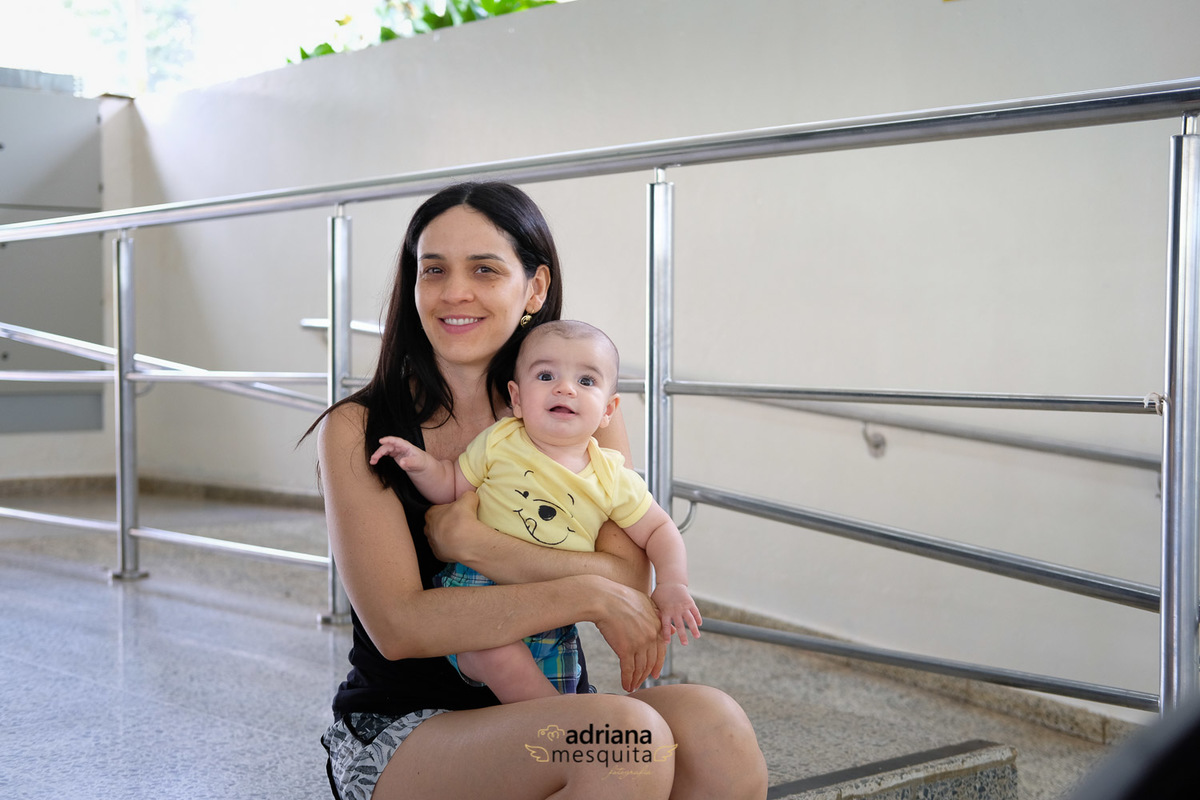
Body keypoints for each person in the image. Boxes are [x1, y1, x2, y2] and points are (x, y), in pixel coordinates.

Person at [311, 181, 767, 800]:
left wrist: (474, 544)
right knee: (622, 740)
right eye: (433, 269)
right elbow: (400, 625)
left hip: (547, 702)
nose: (454, 292)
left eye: (485, 269)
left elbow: (628, 581)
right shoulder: (360, 427)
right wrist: (584, 589)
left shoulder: (582, 410)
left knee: (717, 726)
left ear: (535, 288)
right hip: (403, 726)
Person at [368, 319, 703, 704]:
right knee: (499, 657)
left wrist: (673, 583)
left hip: (555, 614)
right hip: (478, 599)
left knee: (564, 688)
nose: (565, 388)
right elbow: (451, 484)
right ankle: (552, 723)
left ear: (609, 409)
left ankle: (553, 727)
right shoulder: (501, 441)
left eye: (587, 382)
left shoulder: (611, 475)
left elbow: (660, 530)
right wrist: (420, 464)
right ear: (517, 398)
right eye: (546, 376)